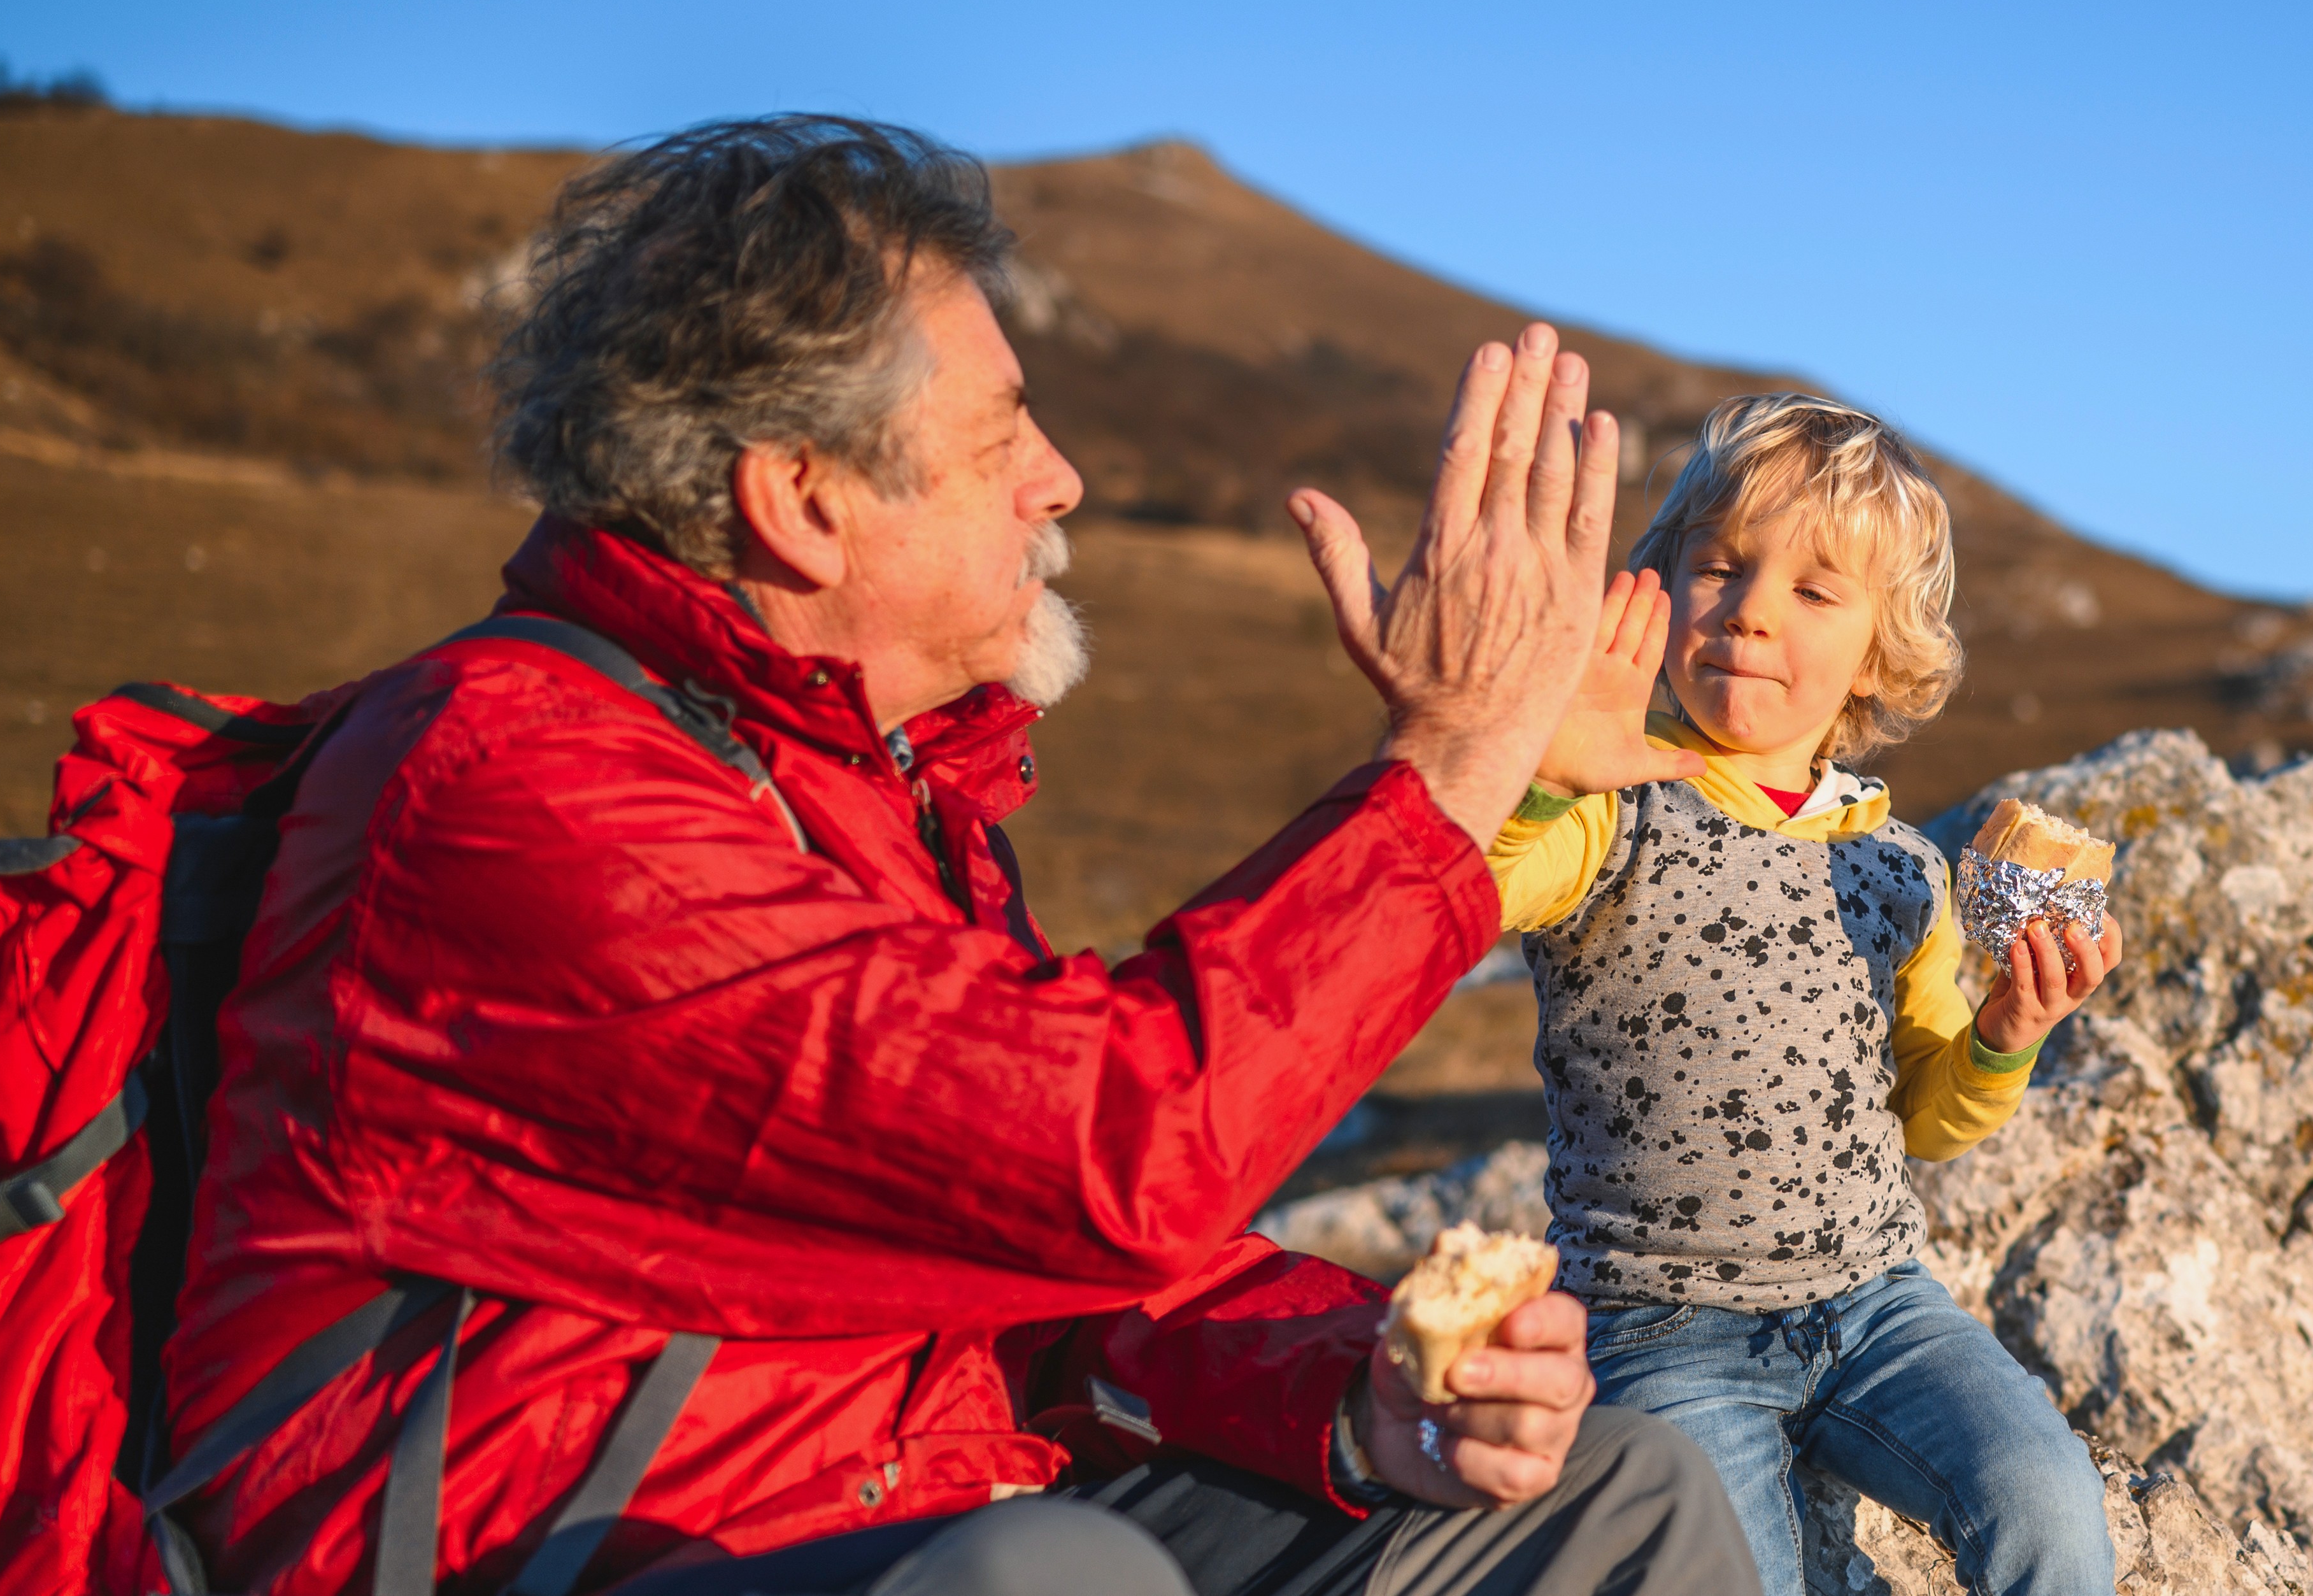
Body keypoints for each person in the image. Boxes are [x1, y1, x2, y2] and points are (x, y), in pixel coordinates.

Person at [155, 117, 1763, 1596]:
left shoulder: (878, 792)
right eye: (1000, 433)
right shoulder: (519, 785)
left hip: (923, 1505)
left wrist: (1360, 1399)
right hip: (585, 1556)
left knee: (1615, 1499)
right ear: (801, 501)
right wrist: (1453, 762)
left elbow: (1055, 1264)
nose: (1058, 479)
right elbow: (1116, 1151)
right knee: (1054, 1581)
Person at [1480, 394, 2123, 1596]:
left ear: (1881, 654)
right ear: (1660, 587)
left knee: (2046, 1494)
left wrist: (2004, 1033)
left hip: (1879, 1305)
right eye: (1720, 567)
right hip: (1656, 1328)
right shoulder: (1610, 812)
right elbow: (1486, 884)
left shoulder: (1900, 871)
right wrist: (1542, 774)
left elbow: (1924, 1118)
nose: (1754, 610)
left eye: (1816, 593)